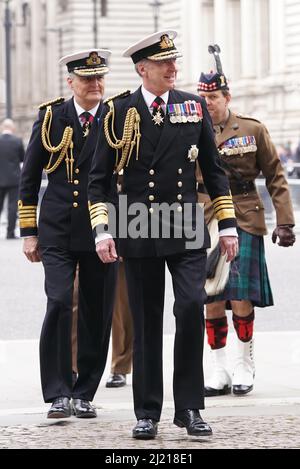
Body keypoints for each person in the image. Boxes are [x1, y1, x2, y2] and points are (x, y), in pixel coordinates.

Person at [88, 30, 238, 440]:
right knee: (147, 318)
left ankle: (189, 407)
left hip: (185, 221)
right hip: (136, 223)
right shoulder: (117, 111)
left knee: (190, 306)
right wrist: (102, 229)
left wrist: (226, 224)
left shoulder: (192, 106)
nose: (174, 69)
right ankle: (148, 411)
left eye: (174, 62)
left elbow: (213, 169)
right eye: (164, 64)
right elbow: (97, 179)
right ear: (143, 69)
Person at [18, 49, 117, 419]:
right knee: (59, 301)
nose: (95, 85)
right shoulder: (50, 118)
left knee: (98, 308)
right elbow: (28, 181)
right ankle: (58, 391)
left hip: (102, 228)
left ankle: (85, 390)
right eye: (88, 79)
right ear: (70, 82)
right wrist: (29, 232)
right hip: (57, 227)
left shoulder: (116, 116)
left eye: (99, 78)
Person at [197, 45, 296, 397]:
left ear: (227, 97)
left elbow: (276, 176)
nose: (208, 103)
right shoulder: (190, 130)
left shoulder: (252, 129)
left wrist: (285, 221)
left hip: (243, 215)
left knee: (240, 296)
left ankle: (244, 362)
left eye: (214, 97)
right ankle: (218, 366)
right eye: (203, 97)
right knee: (208, 297)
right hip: (203, 218)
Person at [105, 261, 133, 388]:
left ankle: (120, 366)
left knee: (121, 306)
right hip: (81, 243)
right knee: (74, 297)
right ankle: (71, 367)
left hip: (118, 244)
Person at [0, 119, 25, 239]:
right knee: (12, 206)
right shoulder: (17, 141)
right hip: (14, 178)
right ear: (12, 128)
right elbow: (22, 159)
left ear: (2, 128)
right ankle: (10, 232)